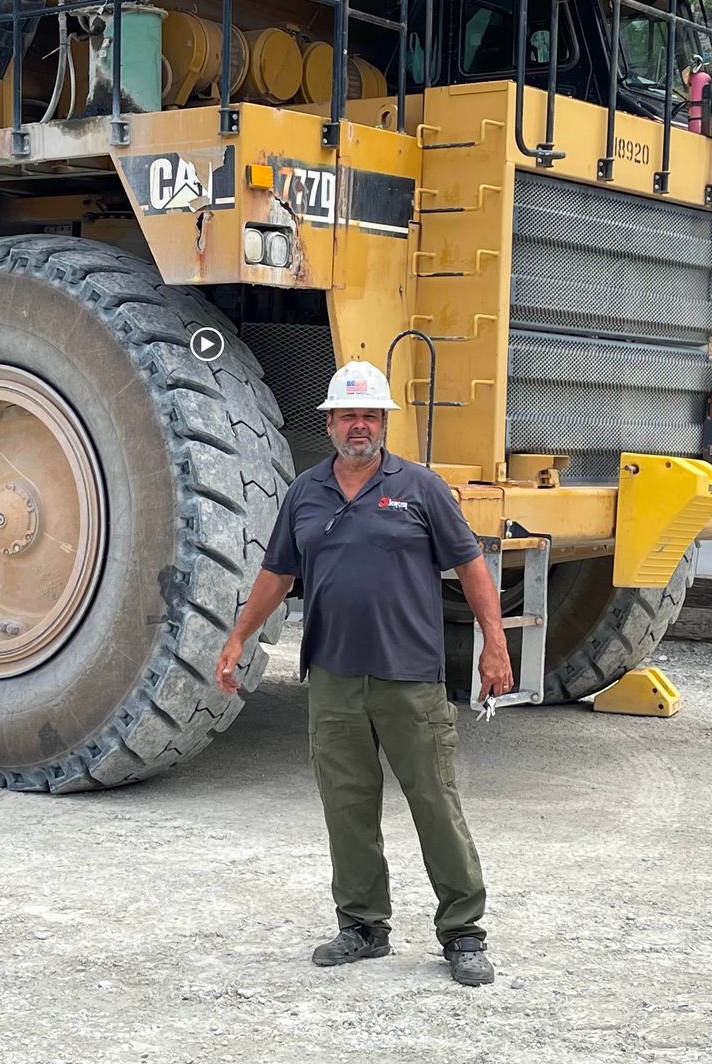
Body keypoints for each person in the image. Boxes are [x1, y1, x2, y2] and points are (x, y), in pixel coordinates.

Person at [215, 361, 514, 988]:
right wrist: (239, 635)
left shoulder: (422, 487)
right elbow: (277, 575)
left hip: (410, 678)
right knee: (347, 807)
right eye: (349, 415)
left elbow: (471, 565)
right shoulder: (306, 492)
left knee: (434, 802)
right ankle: (363, 926)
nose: (361, 425)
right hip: (332, 676)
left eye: (371, 415)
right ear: (329, 423)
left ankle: (463, 933)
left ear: (384, 422)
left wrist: (494, 643)